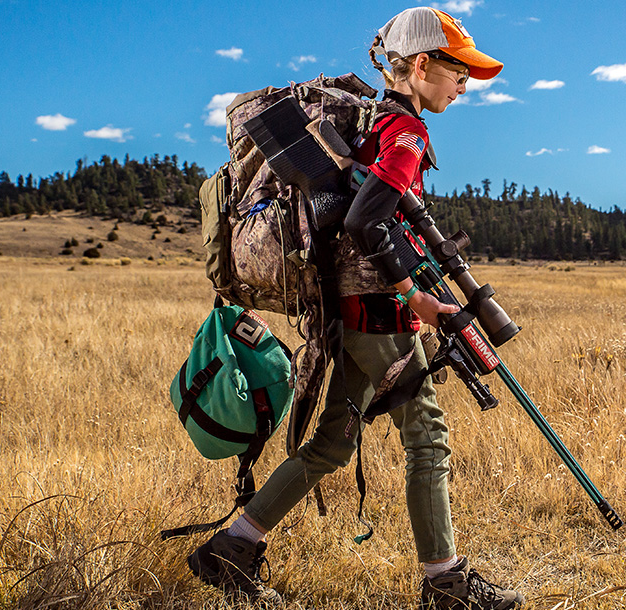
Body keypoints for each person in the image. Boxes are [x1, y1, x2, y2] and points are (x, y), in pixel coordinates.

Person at [186, 7, 524, 610]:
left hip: (351, 313)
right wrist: (414, 296)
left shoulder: (375, 128)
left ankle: (232, 548)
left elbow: (360, 219)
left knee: (330, 447)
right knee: (428, 439)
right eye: (456, 71)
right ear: (421, 66)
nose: (463, 84)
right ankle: (445, 585)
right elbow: (364, 219)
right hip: (380, 316)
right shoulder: (408, 135)